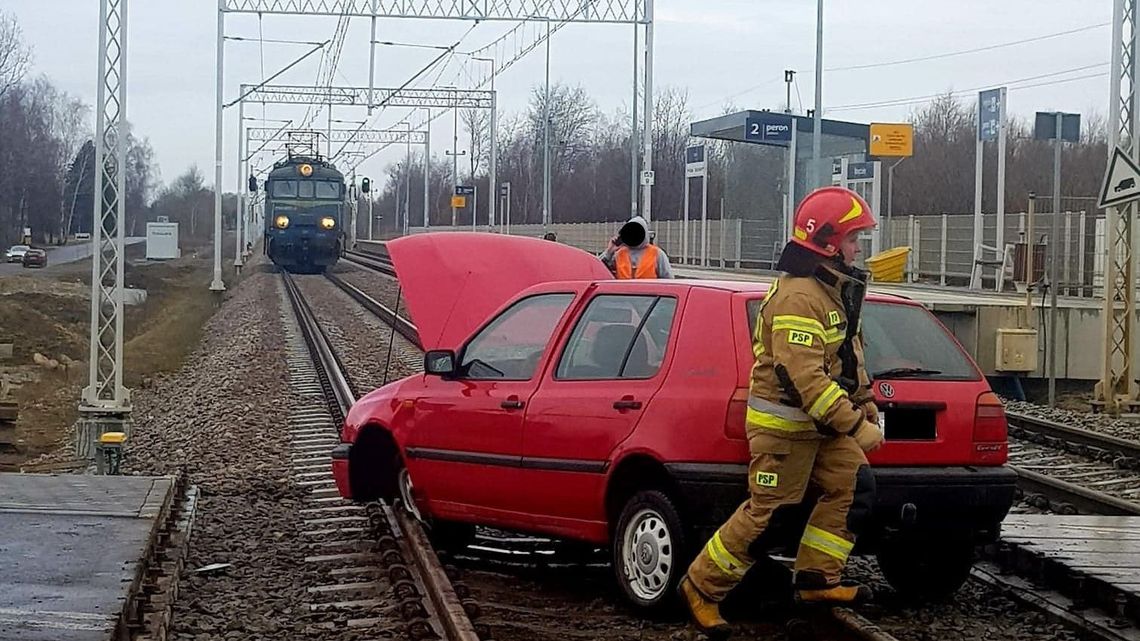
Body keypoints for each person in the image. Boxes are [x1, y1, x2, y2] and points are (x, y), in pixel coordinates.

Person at [678, 186, 883, 638]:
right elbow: (804, 378)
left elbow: (848, 355)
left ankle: (816, 580)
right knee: (769, 516)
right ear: (829, 243)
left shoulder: (832, 290)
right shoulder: (799, 297)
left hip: (820, 427)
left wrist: (865, 399)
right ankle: (701, 586)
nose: (858, 248)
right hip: (786, 431)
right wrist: (855, 425)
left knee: (853, 486)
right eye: (853, 239)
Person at [599, 215, 674, 279]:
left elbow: (668, 281)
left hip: (650, 292)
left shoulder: (657, 254)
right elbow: (597, 269)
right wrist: (609, 252)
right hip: (623, 292)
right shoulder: (618, 254)